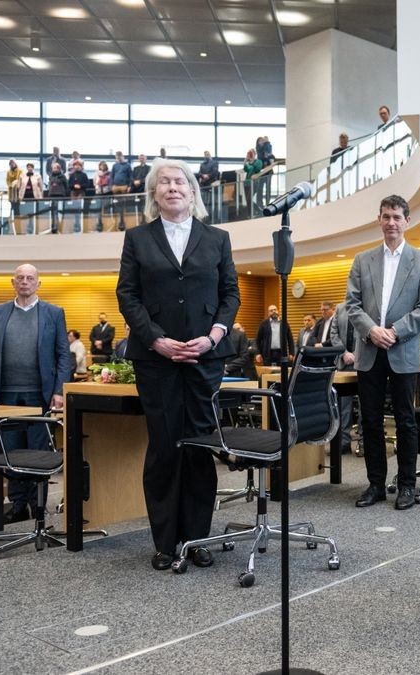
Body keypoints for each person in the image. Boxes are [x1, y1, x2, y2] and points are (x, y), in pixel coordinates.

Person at [116, 157, 240, 571]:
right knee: (166, 447)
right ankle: (166, 542)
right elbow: (127, 296)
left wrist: (214, 335)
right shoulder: (138, 238)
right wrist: (157, 340)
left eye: (180, 181)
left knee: (201, 447)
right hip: (157, 360)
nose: (172, 187)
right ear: (154, 193)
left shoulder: (217, 238)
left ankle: (198, 538)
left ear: (192, 191)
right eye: (164, 182)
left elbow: (230, 294)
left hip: (206, 357)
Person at [347, 194, 420, 511]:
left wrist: (395, 331)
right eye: (386, 216)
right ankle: (374, 485)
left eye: (397, 217)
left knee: (405, 421)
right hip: (369, 349)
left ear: (407, 221)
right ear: (379, 219)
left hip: (403, 350)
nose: (391, 223)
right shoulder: (362, 260)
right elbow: (352, 305)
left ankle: (407, 487)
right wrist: (372, 330)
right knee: (370, 421)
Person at [0, 264, 73, 522]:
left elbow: (63, 355)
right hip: (4, 395)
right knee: (10, 452)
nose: (25, 282)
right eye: (20, 278)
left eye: (30, 278)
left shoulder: (53, 313)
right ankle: (18, 504)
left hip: (39, 395)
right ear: (13, 282)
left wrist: (59, 390)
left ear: (38, 284)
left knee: (37, 452)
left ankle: (37, 504)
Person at [327, 300, 358, 452]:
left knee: (367, 405)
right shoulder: (339, 308)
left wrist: (356, 355)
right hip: (344, 362)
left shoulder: (369, 305)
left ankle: (365, 443)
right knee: (343, 406)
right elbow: (334, 334)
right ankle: (344, 441)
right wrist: (344, 353)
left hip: (364, 362)